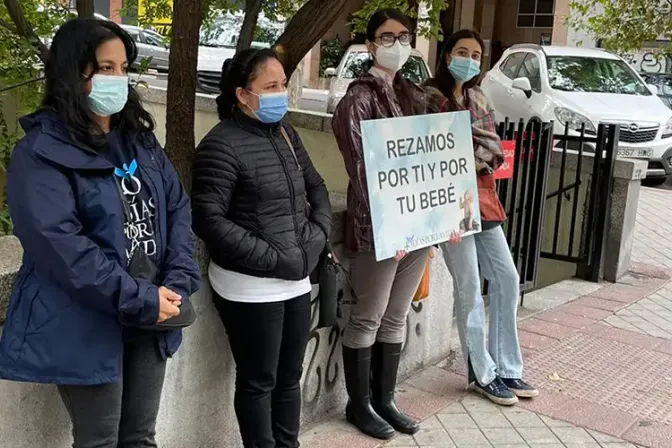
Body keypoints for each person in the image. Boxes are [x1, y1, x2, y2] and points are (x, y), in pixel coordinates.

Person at [0, 18, 201, 447]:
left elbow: (177, 208)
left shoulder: (139, 140)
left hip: (152, 313)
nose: (118, 79)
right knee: (99, 441)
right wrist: (139, 298)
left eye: (123, 67)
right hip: (86, 319)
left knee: (140, 437)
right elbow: (60, 246)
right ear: (74, 73)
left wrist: (178, 282)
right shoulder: (40, 154)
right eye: (105, 68)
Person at [191, 48, 332, 448]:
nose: (281, 94)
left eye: (283, 84)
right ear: (242, 94)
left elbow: (317, 187)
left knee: (289, 377)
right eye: (270, 86)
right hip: (249, 285)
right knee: (259, 381)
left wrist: (317, 234)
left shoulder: (286, 133)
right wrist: (270, 257)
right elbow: (208, 220)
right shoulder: (221, 144)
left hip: (296, 276)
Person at [332, 8, 460, 440]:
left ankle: (385, 399)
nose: (398, 44)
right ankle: (359, 404)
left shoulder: (416, 96)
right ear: (371, 45)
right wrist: (399, 224)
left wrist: (448, 215)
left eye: (404, 36)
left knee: (396, 316)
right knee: (367, 317)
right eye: (387, 37)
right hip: (379, 230)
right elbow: (363, 172)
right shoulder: (357, 100)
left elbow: (440, 160)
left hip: (418, 229)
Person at [425, 29, 539, 406]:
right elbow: (430, 153)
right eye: (462, 52)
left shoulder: (478, 97)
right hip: (447, 205)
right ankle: (481, 371)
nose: (469, 60)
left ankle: (507, 366)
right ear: (446, 55)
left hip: (483, 202)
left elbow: (494, 152)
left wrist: (469, 156)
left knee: (507, 277)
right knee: (469, 287)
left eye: (476, 55)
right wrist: (471, 157)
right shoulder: (428, 98)